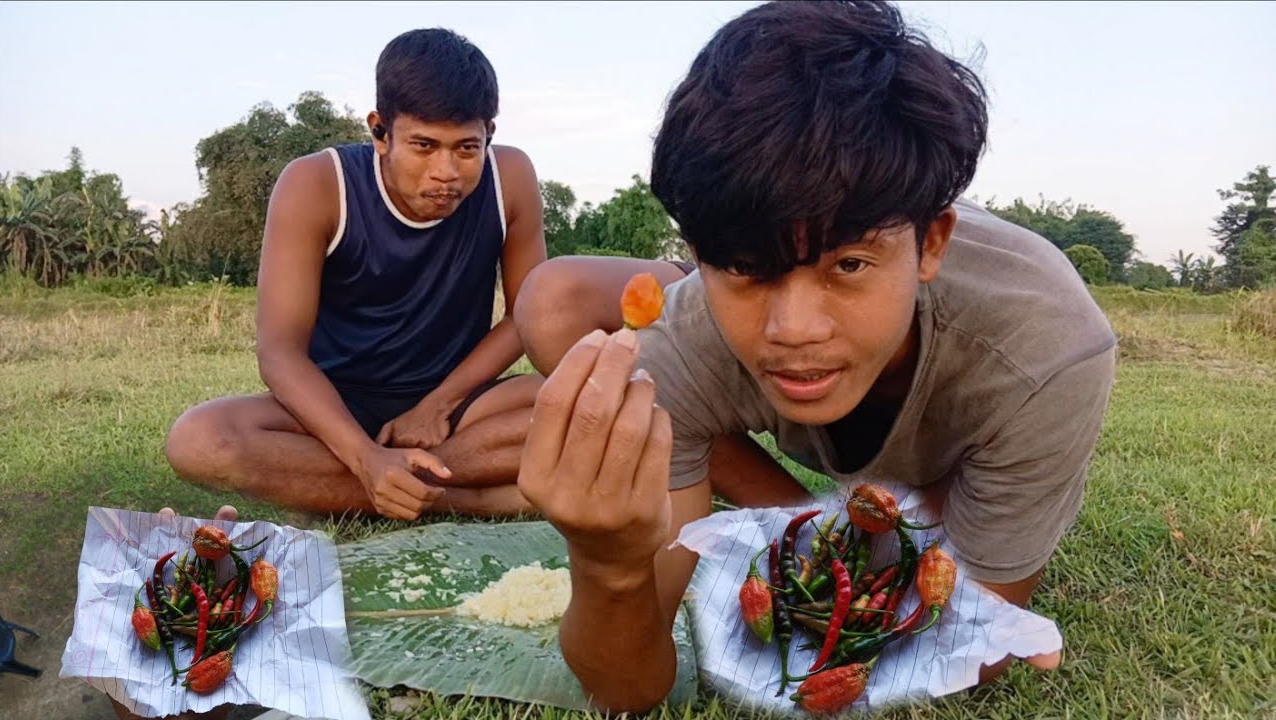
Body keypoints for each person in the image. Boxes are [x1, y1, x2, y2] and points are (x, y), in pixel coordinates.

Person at [513, 0, 1115, 712]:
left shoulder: (1043, 353)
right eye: (744, 265)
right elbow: (627, 694)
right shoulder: (686, 342)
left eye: (850, 265)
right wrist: (607, 566)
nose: (794, 330)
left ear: (930, 244)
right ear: (699, 255)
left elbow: (966, 650)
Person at [165, 28, 546, 520]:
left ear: (489, 134)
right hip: (336, 406)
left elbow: (527, 316)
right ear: (380, 131)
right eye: (424, 146)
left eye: (466, 149)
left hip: (460, 406)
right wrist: (365, 458)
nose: (446, 171)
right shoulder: (317, 184)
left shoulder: (509, 178)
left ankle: (378, 486)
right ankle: (463, 498)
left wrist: (437, 405)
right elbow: (280, 351)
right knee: (198, 440)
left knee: (593, 402)